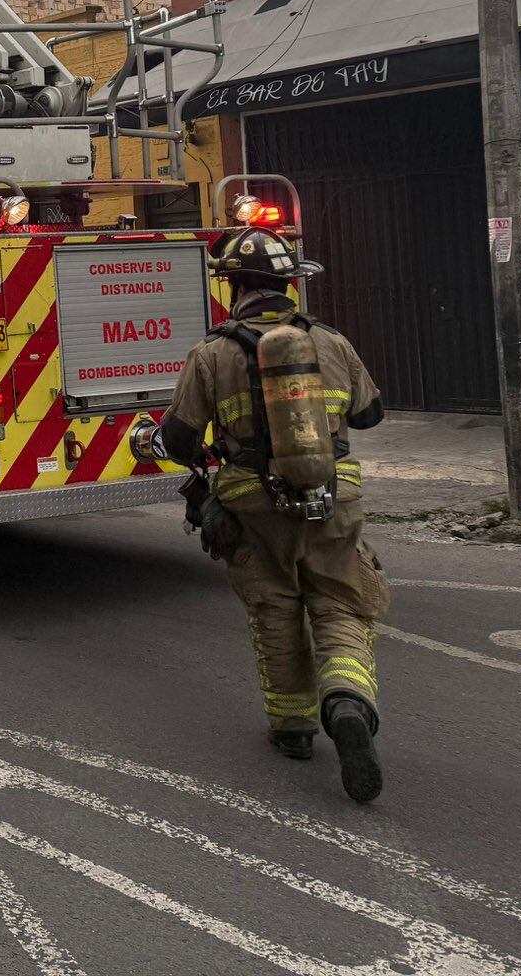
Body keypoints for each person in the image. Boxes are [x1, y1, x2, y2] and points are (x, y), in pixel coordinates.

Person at [159, 226, 391, 803]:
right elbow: (369, 416)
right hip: (333, 496)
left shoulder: (212, 352)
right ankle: (346, 702)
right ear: (289, 283)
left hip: (252, 503)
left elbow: (179, 437)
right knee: (340, 604)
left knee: (276, 607)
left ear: (233, 287)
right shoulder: (331, 343)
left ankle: (293, 729)